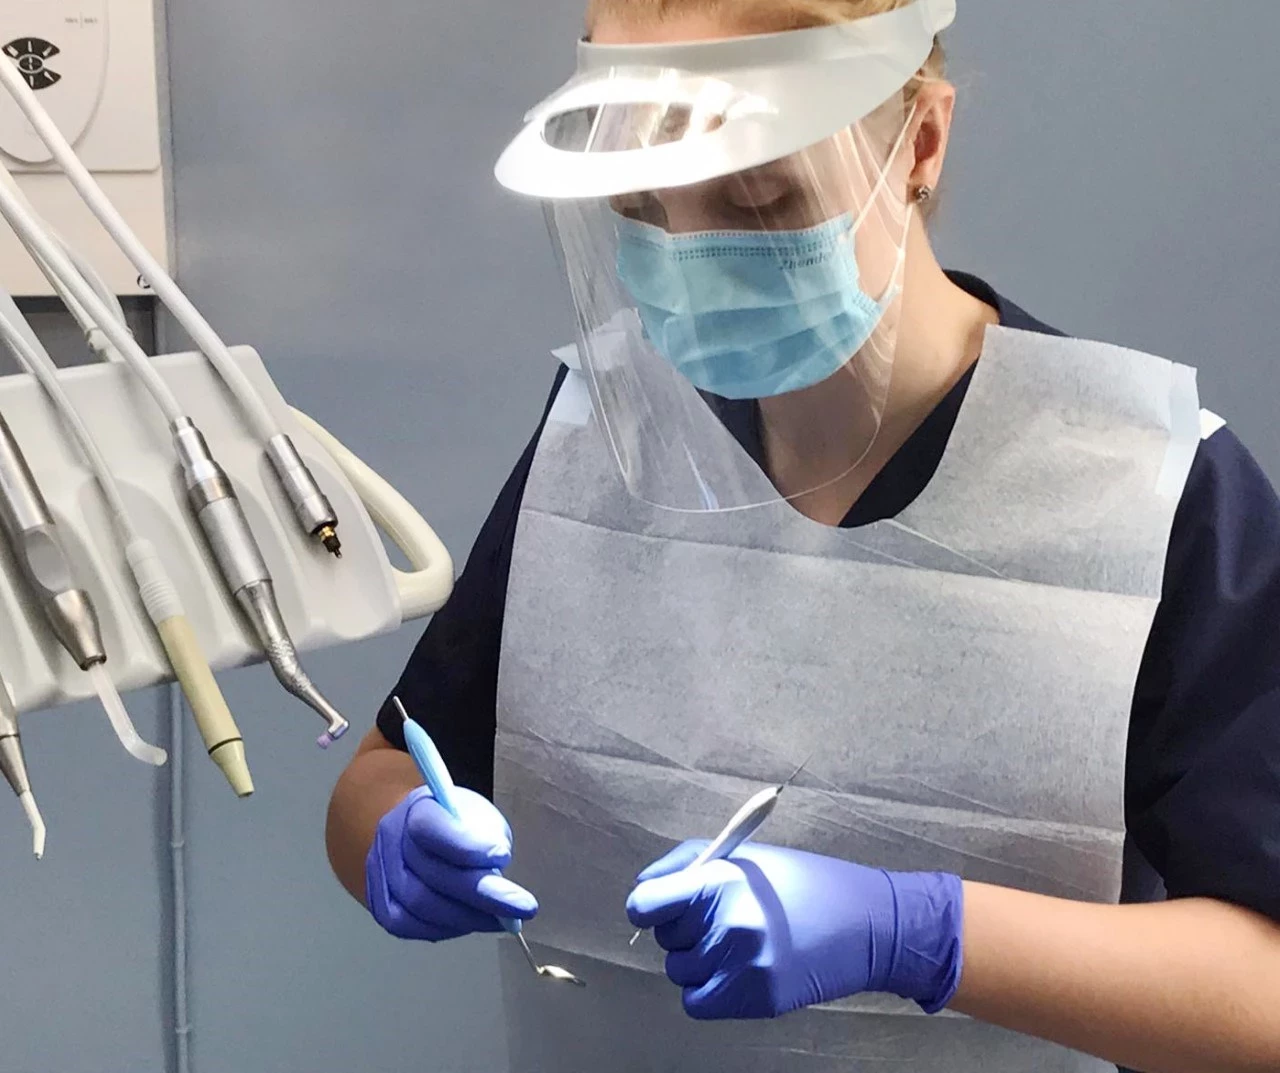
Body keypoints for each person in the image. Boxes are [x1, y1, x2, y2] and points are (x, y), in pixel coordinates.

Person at [325, 0, 1280, 1069]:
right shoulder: (608, 431)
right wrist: (398, 840)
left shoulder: (1149, 491)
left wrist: (916, 933)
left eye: (757, 197)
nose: (691, 252)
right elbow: (384, 770)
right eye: (641, 205)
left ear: (919, 142)